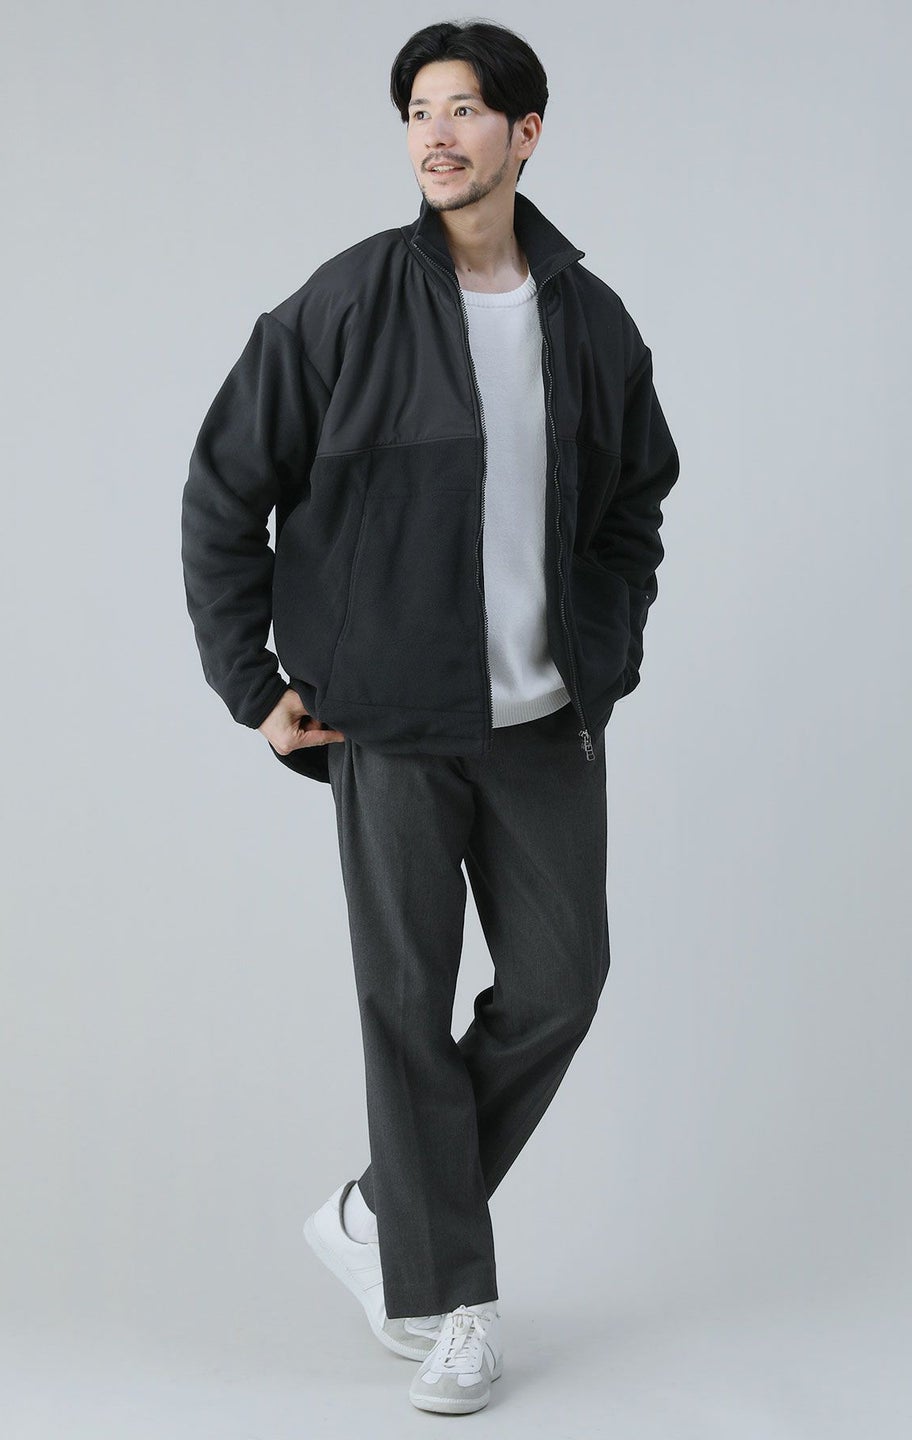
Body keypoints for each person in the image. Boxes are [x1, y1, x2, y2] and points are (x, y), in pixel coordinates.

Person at [181, 19, 680, 1415]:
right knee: (405, 1008)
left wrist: (607, 645)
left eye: (464, 109)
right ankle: (453, 1299)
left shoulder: (590, 318)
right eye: (417, 111)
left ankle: (380, 1214)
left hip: (542, 720)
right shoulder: (346, 304)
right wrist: (254, 681)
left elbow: (638, 499)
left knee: (561, 985)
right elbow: (223, 490)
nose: (436, 135)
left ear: (527, 133)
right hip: (390, 722)